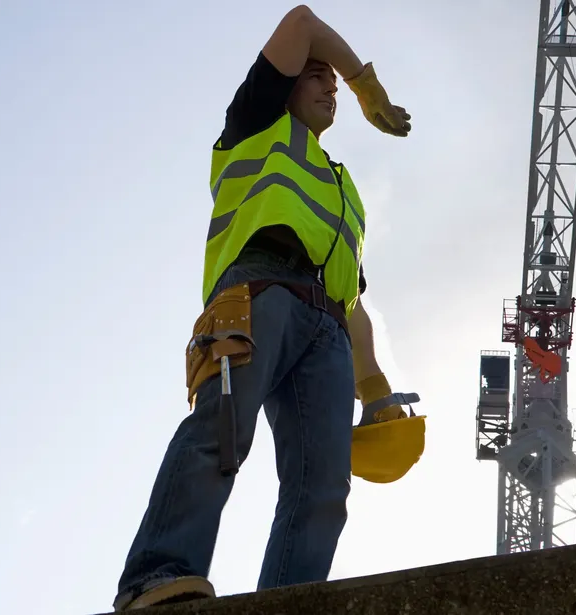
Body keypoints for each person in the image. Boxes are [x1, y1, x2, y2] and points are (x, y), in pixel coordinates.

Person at [112, 5, 415, 611]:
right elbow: (302, 21)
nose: (330, 86)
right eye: (318, 78)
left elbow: (352, 298)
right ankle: (157, 578)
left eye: (334, 81)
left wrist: (376, 389)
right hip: (258, 293)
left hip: (327, 324)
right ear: (285, 86)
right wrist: (364, 83)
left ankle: (289, 600)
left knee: (324, 487)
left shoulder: (342, 186)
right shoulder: (253, 125)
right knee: (221, 433)